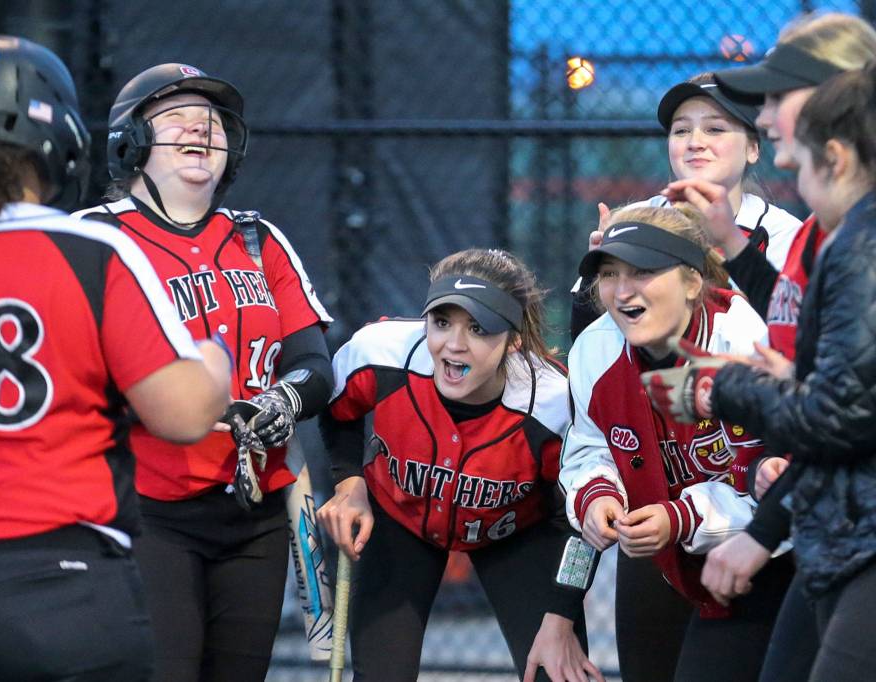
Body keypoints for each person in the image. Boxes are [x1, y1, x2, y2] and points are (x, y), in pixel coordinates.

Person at [0, 37, 232, 682]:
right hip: (59, 580)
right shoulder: (89, 249)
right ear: (56, 136)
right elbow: (182, 416)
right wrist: (213, 359)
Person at [74, 63, 333, 682]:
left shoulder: (257, 239)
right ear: (131, 143)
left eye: (212, 124)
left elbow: (312, 364)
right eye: (176, 120)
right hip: (147, 509)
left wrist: (282, 402)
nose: (200, 131)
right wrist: (165, 404)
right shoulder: (94, 239)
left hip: (258, 510)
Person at [657, 13, 876, 682]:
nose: (769, 118)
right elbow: (822, 365)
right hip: (833, 523)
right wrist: (732, 245)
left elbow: (839, 410)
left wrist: (719, 386)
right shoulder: (829, 229)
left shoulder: (855, 235)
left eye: (780, 96)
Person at [318, 248, 603, 682]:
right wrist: (349, 482)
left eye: (478, 328)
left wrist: (562, 615)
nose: (454, 343)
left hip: (516, 532)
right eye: (442, 321)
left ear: (513, 340)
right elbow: (338, 412)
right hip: (400, 518)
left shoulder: (552, 405)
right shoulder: (380, 353)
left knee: (556, 673)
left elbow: (583, 524)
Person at [559, 204, 794, 682]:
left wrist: (682, 514)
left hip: (771, 564)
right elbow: (590, 446)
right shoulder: (596, 348)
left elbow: (781, 483)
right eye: (609, 273)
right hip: (663, 557)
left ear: (692, 282)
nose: (622, 290)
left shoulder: (748, 343)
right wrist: (597, 494)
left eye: (643, 271)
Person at [570, 72, 801, 339]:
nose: (695, 143)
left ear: (752, 148)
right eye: (681, 131)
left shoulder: (785, 235)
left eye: (715, 129)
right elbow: (588, 340)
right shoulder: (632, 223)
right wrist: (598, 278)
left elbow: (795, 335)